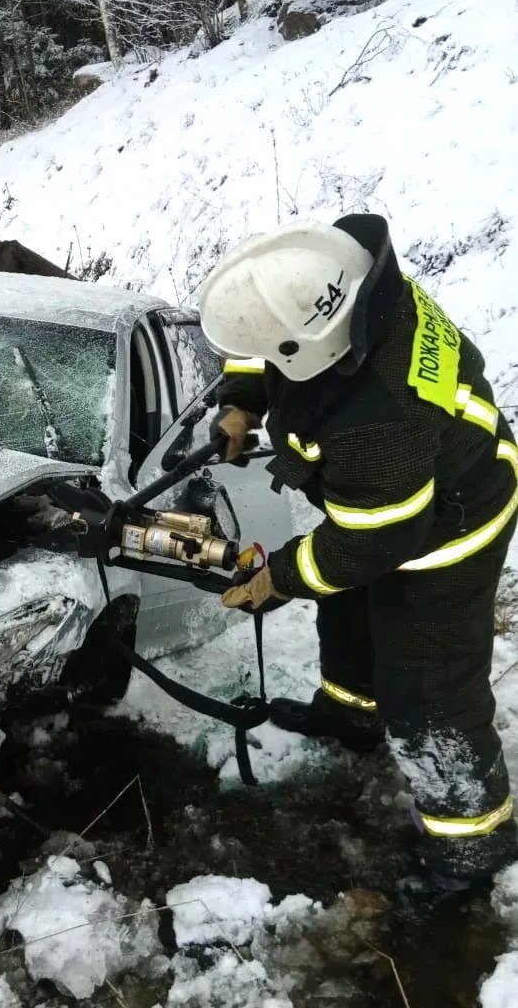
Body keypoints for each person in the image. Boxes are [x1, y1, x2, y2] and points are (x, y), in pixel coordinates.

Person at [197, 214, 517, 898]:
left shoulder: (381, 415)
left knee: (428, 687)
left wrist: (281, 576)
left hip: (451, 523)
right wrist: (240, 402)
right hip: (394, 495)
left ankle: (473, 843)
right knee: (345, 612)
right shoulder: (343, 280)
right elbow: (266, 341)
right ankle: (352, 712)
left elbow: (371, 542)